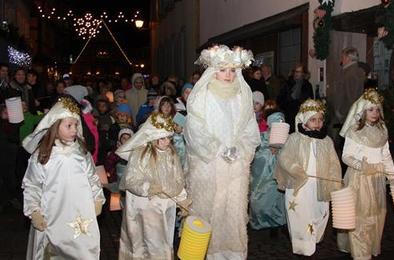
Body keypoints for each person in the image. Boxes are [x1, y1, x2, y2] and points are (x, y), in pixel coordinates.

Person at [185, 45, 260, 259]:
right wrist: (218, 149)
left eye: (232, 70)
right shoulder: (203, 96)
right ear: (213, 70)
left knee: (234, 210)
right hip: (209, 164)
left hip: (236, 166)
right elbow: (194, 128)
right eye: (223, 70)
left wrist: (241, 150)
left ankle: (234, 252)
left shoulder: (242, 95)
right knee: (209, 209)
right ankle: (209, 252)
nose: (228, 75)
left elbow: (249, 127)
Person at [22, 97, 105, 259]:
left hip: (79, 217)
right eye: (69, 125)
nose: (74, 129)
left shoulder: (82, 153)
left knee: (82, 252)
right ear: (55, 126)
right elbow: (32, 185)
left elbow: (92, 178)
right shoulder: (42, 156)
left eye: (76, 125)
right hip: (51, 216)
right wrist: (34, 211)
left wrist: (97, 199)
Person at [116, 112, 190, 260]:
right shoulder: (141, 154)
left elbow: (177, 178)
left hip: (165, 206)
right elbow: (131, 179)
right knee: (145, 241)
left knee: (163, 240)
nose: (167, 142)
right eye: (162, 138)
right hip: (144, 207)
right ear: (152, 137)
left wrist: (182, 199)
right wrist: (148, 187)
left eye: (169, 137)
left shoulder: (170, 153)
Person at [275, 99, 341, 257]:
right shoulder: (295, 139)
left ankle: (313, 239)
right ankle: (303, 248)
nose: (317, 123)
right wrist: (296, 170)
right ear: (304, 121)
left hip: (319, 186)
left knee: (319, 213)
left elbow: (333, 163)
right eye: (313, 119)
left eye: (320, 119)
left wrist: (333, 179)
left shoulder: (326, 141)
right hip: (300, 186)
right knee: (300, 215)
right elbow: (284, 158)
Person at [337, 89, 394, 259]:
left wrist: (392, 177)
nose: (375, 113)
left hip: (377, 179)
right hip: (360, 179)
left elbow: (386, 156)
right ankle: (360, 253)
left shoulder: (382, 130)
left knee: (377, 215)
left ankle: (369, 247)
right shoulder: (354, 131)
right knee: (361, 217)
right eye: (370, 109)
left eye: (377, 109)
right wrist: (361, 166)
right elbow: (346, 156)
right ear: (362, 111)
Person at [249, 109, 286, 230]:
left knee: (276, 201)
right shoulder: (261, 138)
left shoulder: (288, 140)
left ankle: (276, 223)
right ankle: (258, 222)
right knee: (258, 202)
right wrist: (266, 149)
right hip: (261, 177)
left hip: (276, 177)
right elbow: (253, 154)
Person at [277, 63, 314, 132]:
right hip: (289, 115)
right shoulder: (287, 84)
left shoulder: (307, 85)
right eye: (295, 71)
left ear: (303, 73)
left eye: (299, 71)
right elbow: (279, 99)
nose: (297, 73)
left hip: (302, 115)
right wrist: (286, 105)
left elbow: (310, 101)